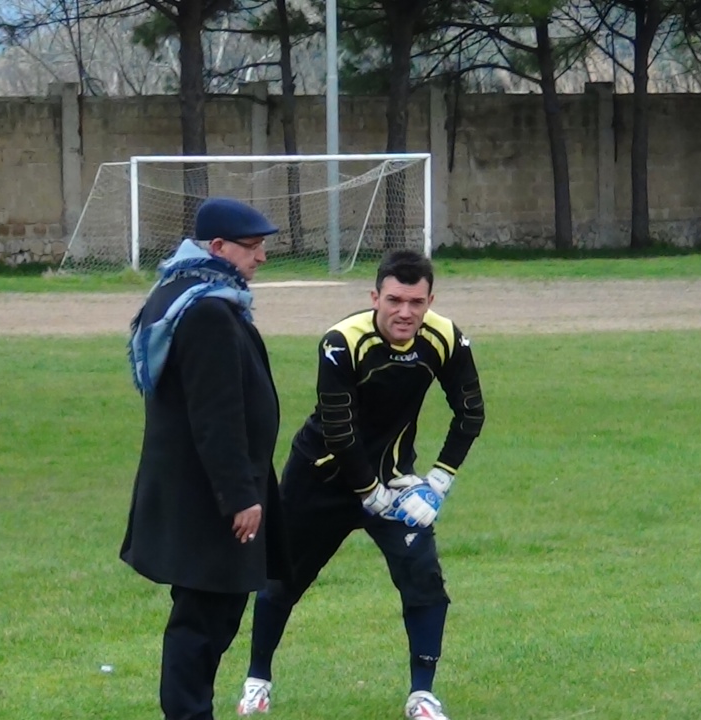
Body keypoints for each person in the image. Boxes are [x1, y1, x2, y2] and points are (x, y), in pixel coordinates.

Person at [237, 249, 485, 720]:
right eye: (394, 300)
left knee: (424, 581)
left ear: (431, 299)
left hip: (394, 481)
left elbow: (471, 411)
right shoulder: (341, 342)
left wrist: (437, 482)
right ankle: (257, 682)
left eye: (416, 302)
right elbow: (339, 429)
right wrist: (370, 494)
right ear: (375, 297)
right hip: (321, 478)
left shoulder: (447, 338)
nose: (405, 312)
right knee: (281, 581)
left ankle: (422, 695)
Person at [121, 197, 290, 720]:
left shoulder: (182, 292)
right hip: (210, 501)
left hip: (196, 494)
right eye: (252, 247)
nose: (260, 257)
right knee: (202, 624)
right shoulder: (209, 311)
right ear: (216, 247)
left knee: (204, 620)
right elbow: (215, 414)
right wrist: (240, 496)